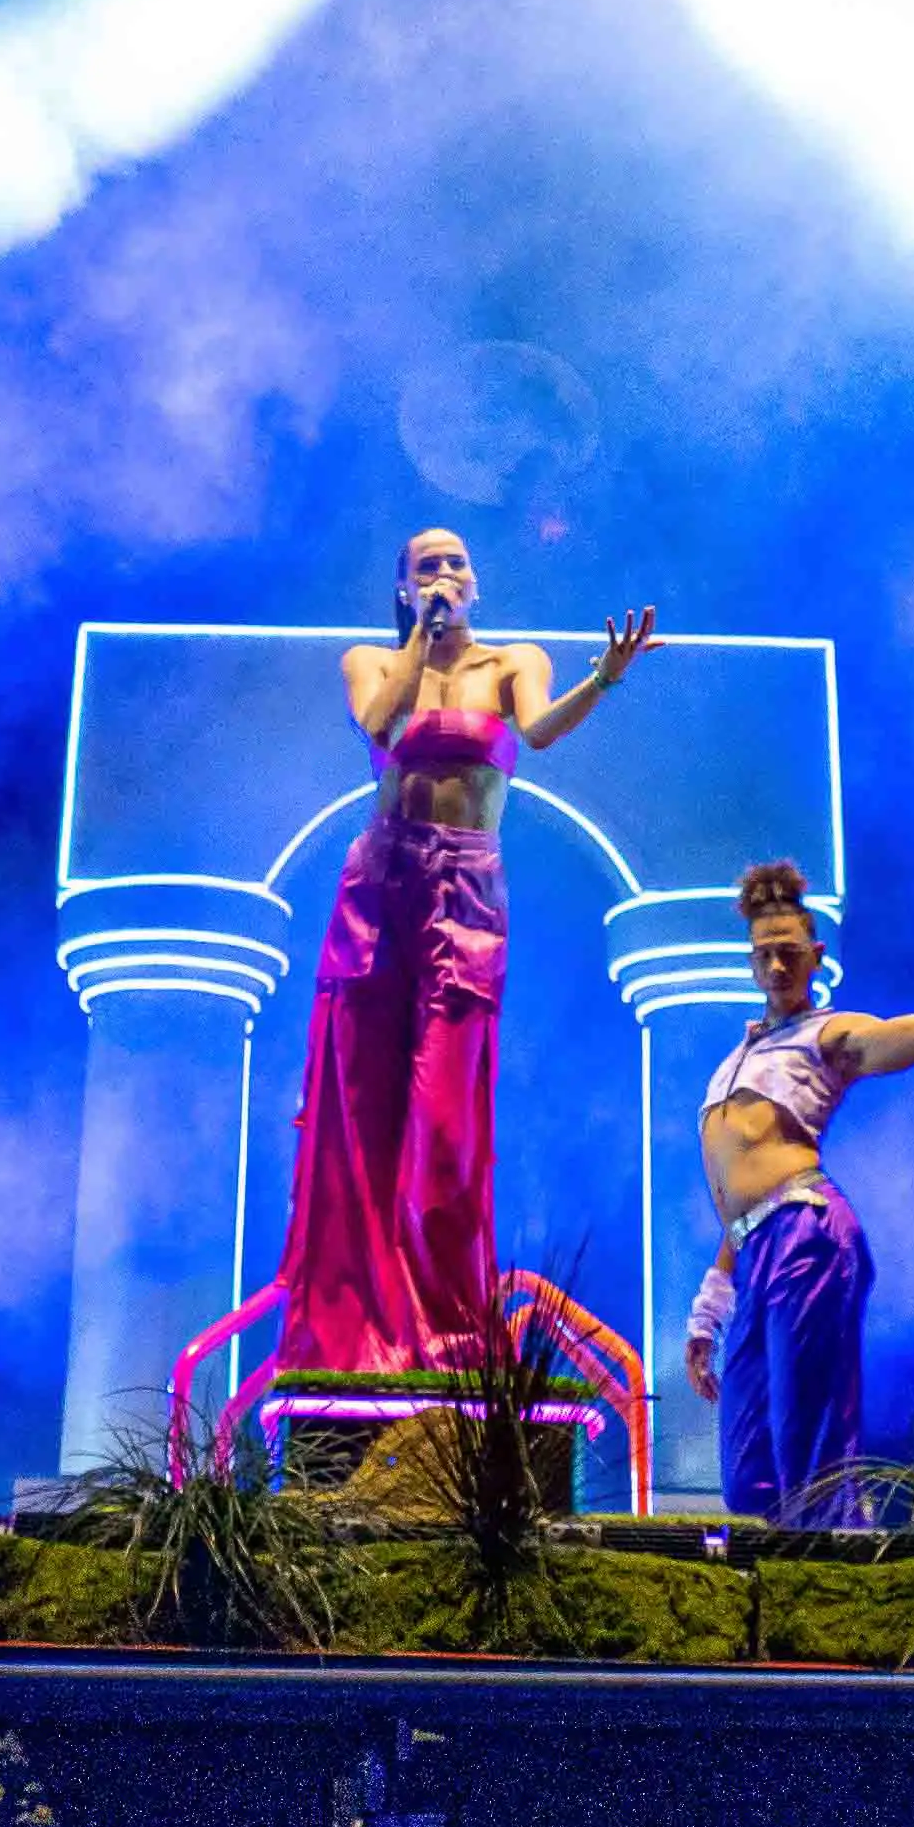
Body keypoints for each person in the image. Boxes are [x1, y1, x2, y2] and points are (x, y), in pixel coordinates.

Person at [272, 528, 651, 1376]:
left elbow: (542, 729)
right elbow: (379, 721)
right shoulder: (371, 659)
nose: (445, 574)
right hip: (379, 884)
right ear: (405, 588)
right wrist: (420, 638)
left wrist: (605, 677)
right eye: (425, 567)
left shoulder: (512, 659)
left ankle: (447, 1329)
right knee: (360, 1107)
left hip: (466, 889)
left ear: (477, 581)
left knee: (445, 1118)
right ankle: (351, 1335)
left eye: (456, 563)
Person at [679, 854, 914, 1522]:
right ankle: (782, 1586)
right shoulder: (737, 1057)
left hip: (807, 1233)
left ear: (815, 956)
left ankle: (836, 1581)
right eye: (764, 955)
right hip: (754, 1250)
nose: (776, 967)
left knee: (810, 1445)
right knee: (749, 1463)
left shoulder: (828, 1033)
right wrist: (708, 1309)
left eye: (789, 953)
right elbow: (737, 1201)